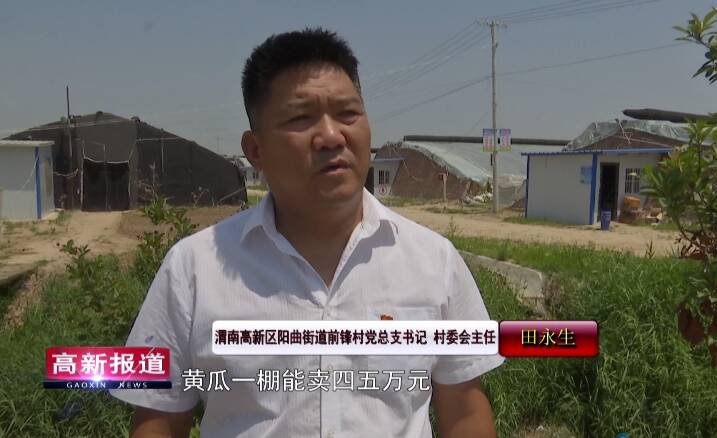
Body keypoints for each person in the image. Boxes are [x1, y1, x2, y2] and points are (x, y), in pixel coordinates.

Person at [110, 27, 504, 438]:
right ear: (255, 150)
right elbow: (158, 421)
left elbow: (464, 410)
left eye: (348, 113)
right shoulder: (193, 268)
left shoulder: (434, 261)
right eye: (301, 118)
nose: (332, 136)